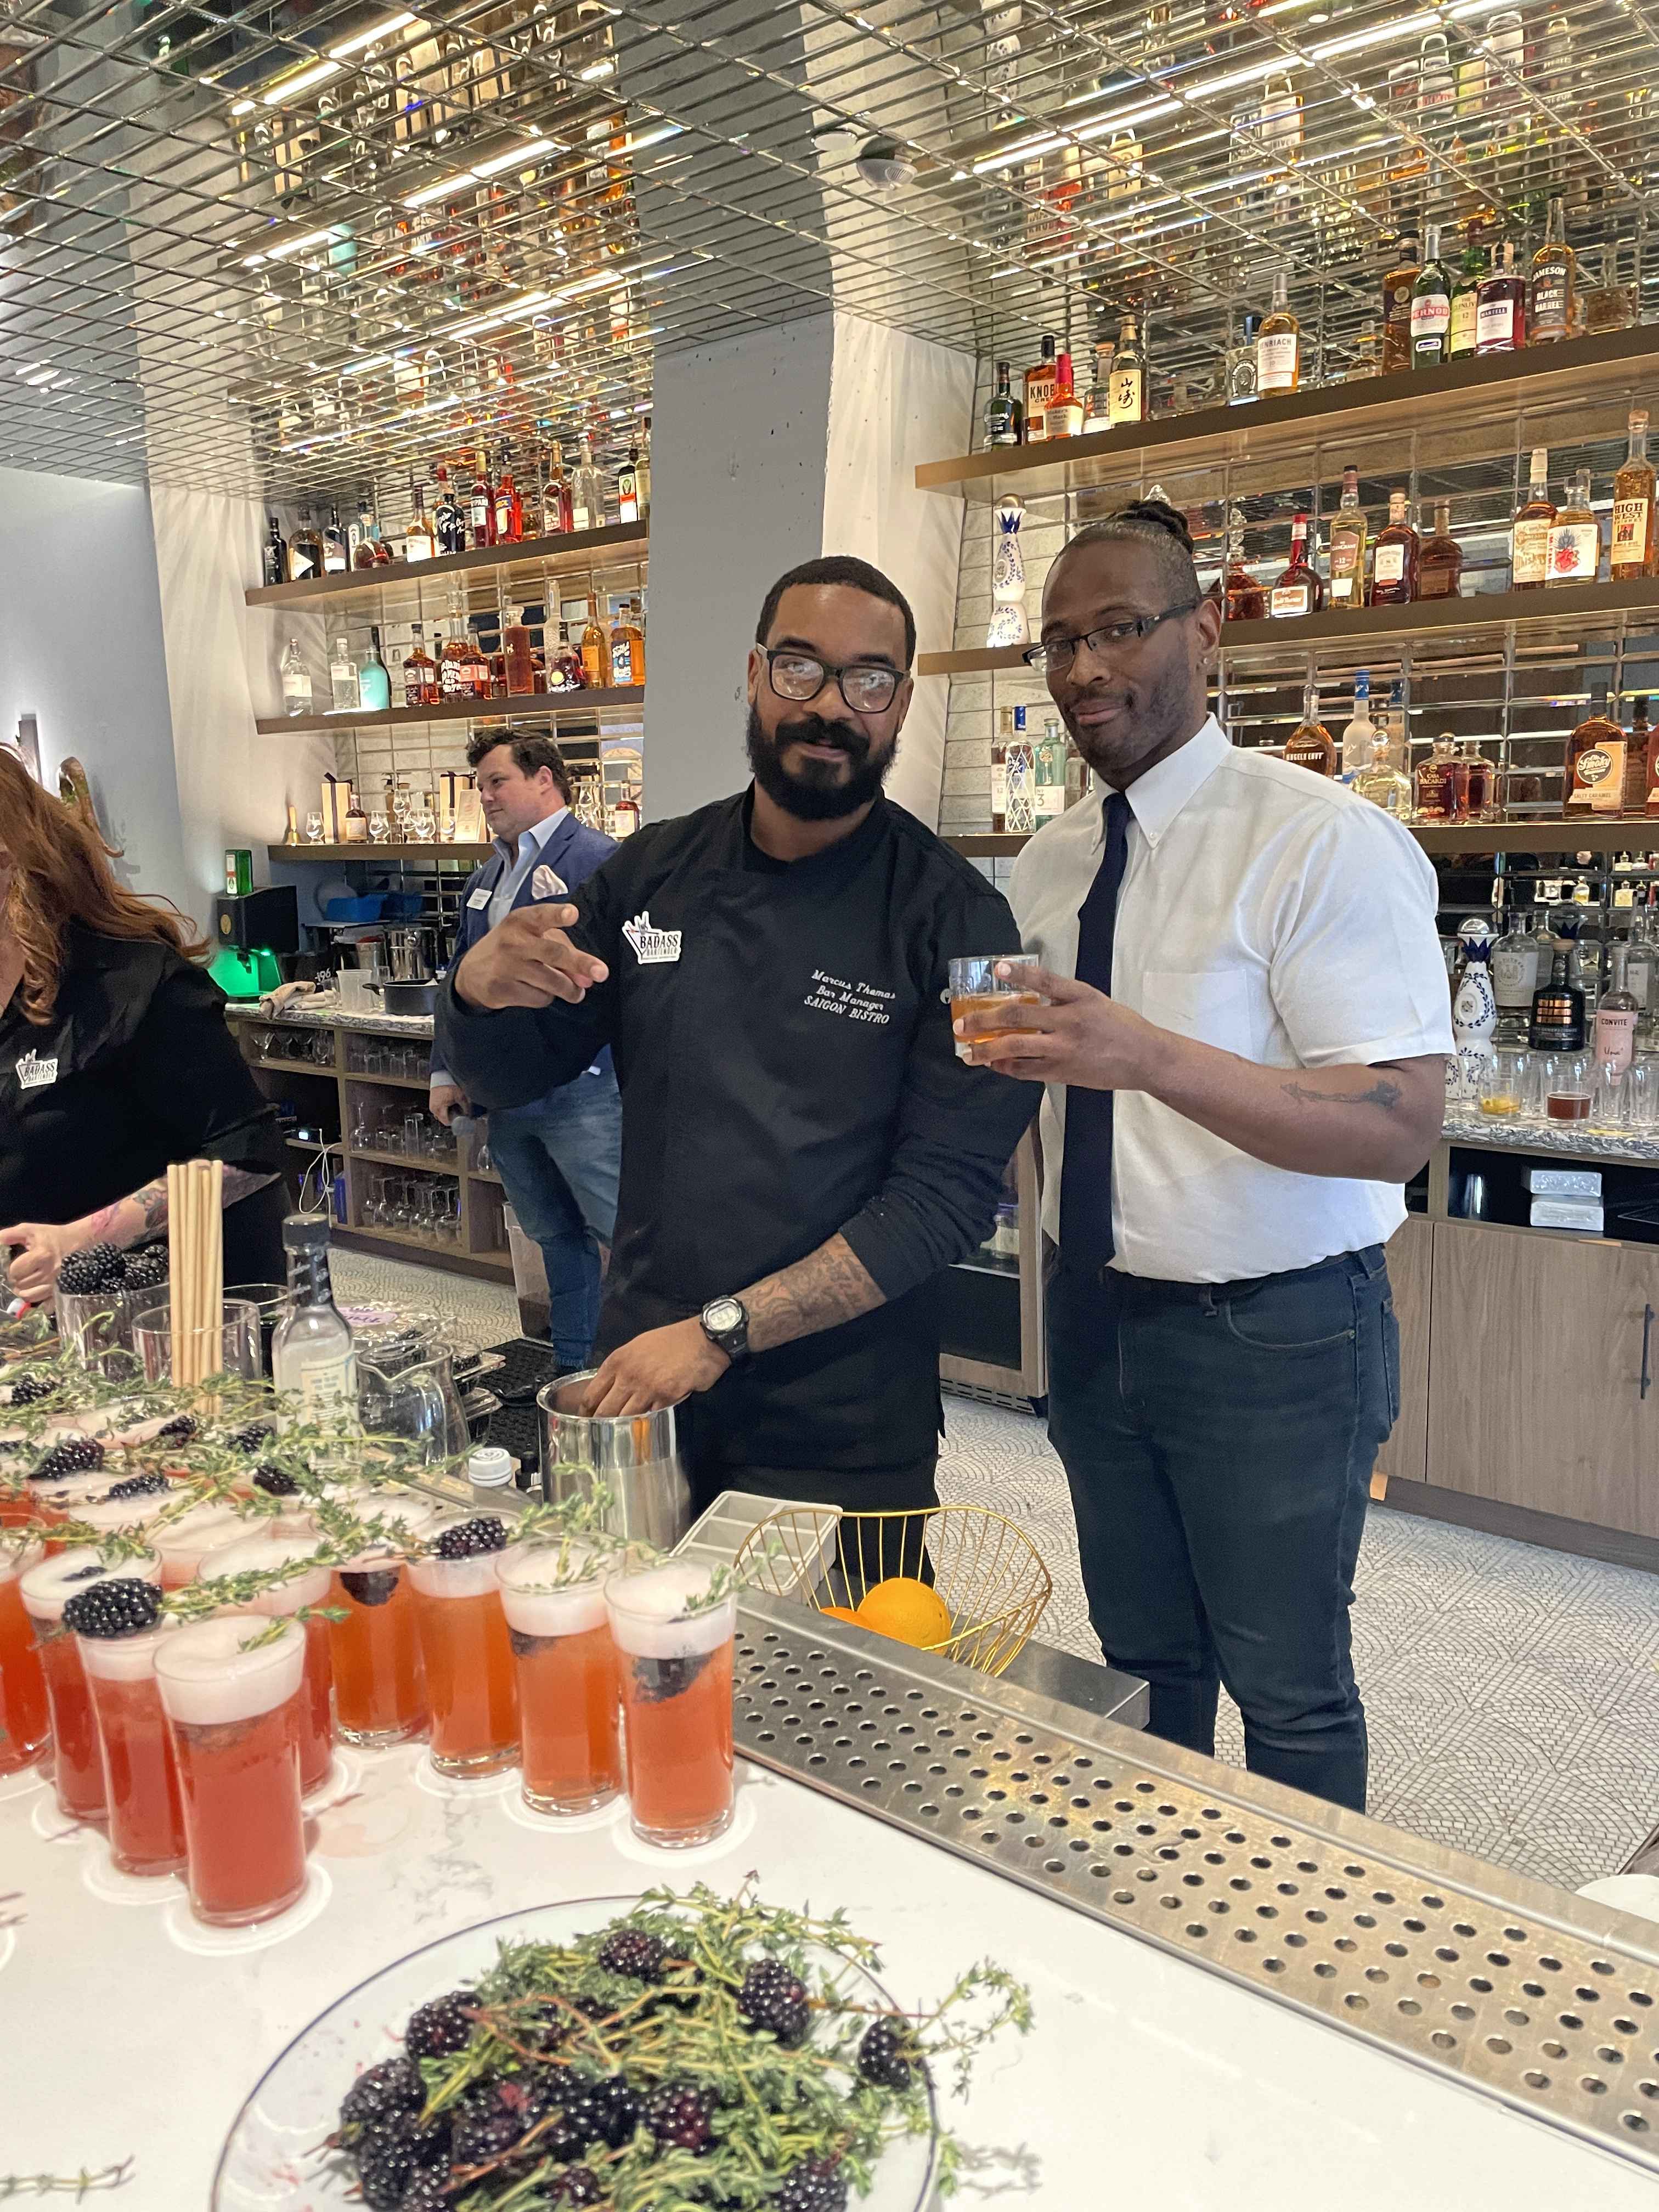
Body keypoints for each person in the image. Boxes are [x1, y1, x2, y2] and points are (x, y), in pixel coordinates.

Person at [964, 500, 1452, 1814]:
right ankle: (1159, 1908)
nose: (1083, 671)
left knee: (1287, 1683)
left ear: (1206, 631)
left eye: (1119, 629)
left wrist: (1147, 1056)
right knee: (1143, 1662)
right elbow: (1035, 1084)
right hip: (1096, 1313)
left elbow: (1400, 1120)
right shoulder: (1048, 861)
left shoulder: (1319, 839)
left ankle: (1296, 1982)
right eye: (1059, 643)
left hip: (1277, 1334)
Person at [435, 554, 1037, 1519]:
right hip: (645, 1390)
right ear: (753, 674)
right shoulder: (650, 870)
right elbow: (512, 1070)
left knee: (837, 1669)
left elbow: (950, 1199)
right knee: (629, 1664)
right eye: (798, 668)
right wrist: (468, 990)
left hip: (842, 1429)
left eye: (866, 680)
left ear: (901, 701)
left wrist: (721, 1330)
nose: (829, 706)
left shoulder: (969, 926)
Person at [0, 751, 287, 1296]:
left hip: (162, 1319)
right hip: (27, 1330)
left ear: (11, 863)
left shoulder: (128, 980)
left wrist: (80, 1240)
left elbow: (249, 1152)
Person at [429, 735, 620, 1372]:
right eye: (479, 785)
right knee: (552, 1237)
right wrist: (446, 1068)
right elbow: (457, 977)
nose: (484, 796)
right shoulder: (486, 879)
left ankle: (644, 1375)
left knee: (622, 1238)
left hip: (586, 1092)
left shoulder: (601, 860)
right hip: (507, 1096)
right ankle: (573, 1370)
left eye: (496, 781)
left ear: (545, 780)